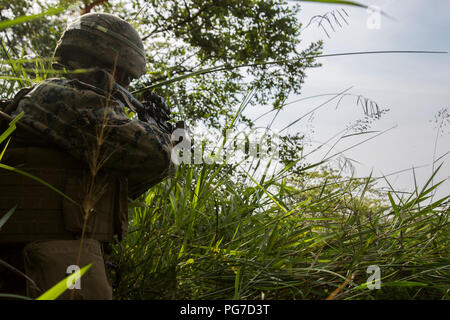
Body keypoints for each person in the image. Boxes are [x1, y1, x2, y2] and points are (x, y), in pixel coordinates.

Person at [0, 12, 174, 299]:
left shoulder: (62, 100)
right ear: (113, 68)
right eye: (126, 77)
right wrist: (160, 132)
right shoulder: (63, 96)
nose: (127, 86)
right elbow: (154, 156)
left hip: (46, 259)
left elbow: (130, 182)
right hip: (40, 261)